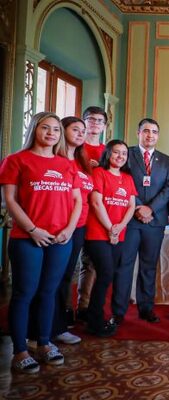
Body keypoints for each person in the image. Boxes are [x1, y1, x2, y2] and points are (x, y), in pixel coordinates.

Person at [0, 112, 82, 373]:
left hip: (61, 239)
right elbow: (9, 201)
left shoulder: (67, 164)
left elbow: (77, 200)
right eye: (45, 128)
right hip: (27, 238)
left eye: (56, 130)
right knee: (25, 293)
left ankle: (45, 343)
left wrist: (69, 229)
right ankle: (20, 350)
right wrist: (33, 229)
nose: (51, 133)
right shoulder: (15, 160)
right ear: (34, 129)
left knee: (49, 292)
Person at [117, 118, 169, 324]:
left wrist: (151, 208)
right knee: (124, 265)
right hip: (130, 219)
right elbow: (121, 181)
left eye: (155, 132)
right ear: (138, 133)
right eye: (146, 131)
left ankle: (146, 308)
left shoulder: (166, 160)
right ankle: (119, 311)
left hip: (155, 221)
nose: (150, 135)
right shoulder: (126, 154)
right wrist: (139, 206)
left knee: (149, 266)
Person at [84, 140, 137, 337]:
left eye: (124, 153)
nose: (120, 156)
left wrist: (119, 228)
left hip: (118, 234)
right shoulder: (99, 173)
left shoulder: (128, 178)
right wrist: (110, 229)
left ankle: (95, 315)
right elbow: (96, 203)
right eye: (116, 152)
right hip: (98, 234)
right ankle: (94, 320)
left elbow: (131, 205)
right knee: (105, 274)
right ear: (108, 154)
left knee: (109, 275)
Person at [52, 117, 93, 344]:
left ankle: (58, 325)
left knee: (67, 275)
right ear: (63, 130)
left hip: (79, 226)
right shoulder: (55, 159)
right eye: (75, 129)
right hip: (58, 226)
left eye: (83, 131)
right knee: (53, 278)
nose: (80, 133)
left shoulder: (83, 162)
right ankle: (44, 326)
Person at [77, 106, 108, 321]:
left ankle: (85, 307)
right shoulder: (76, 147)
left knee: (91, 263)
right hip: (74, 212)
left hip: (99, 214)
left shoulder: (107, 151)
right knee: (71, 265)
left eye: (99, 121)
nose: (95, 123)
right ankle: (69, 309)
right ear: (84, 122)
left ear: (105, 126)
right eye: (91, 119)